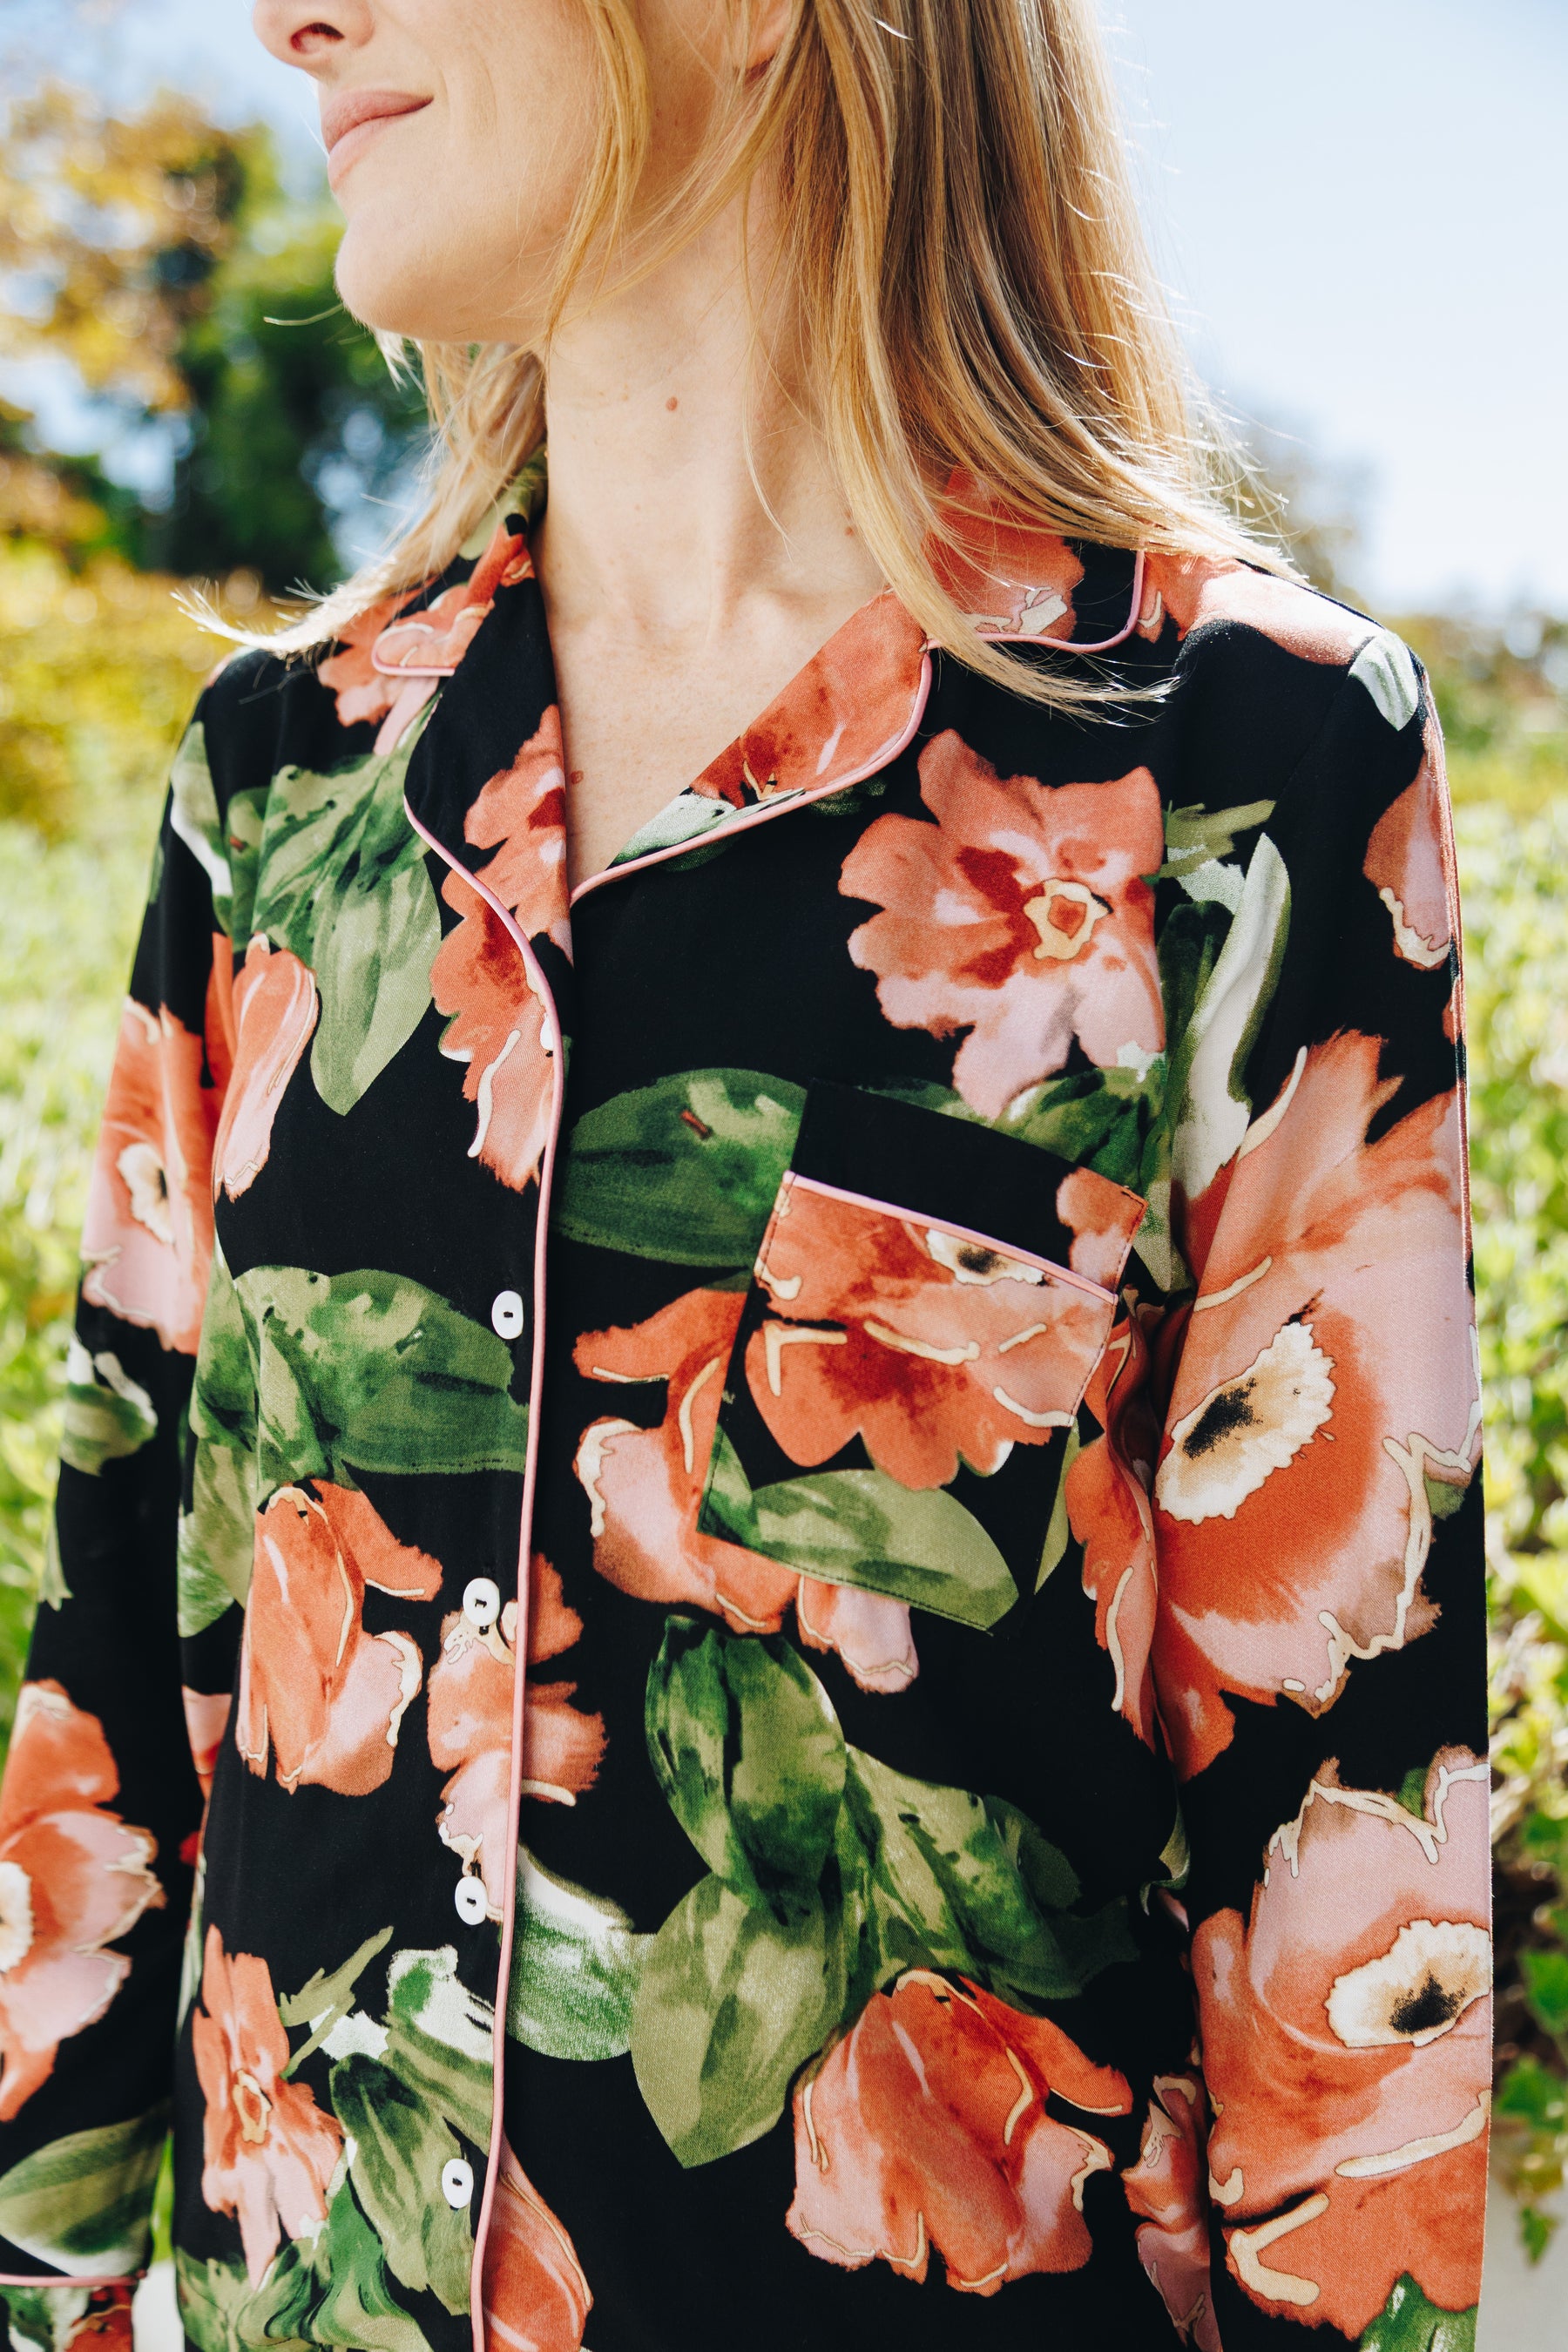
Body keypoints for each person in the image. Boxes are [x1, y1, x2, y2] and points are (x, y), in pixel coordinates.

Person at [0, 5, 1490, 2349]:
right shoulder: (279, 789)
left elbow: (1347, 1833)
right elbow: (117, 1673)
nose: (290, 16)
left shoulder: (1241, 769)